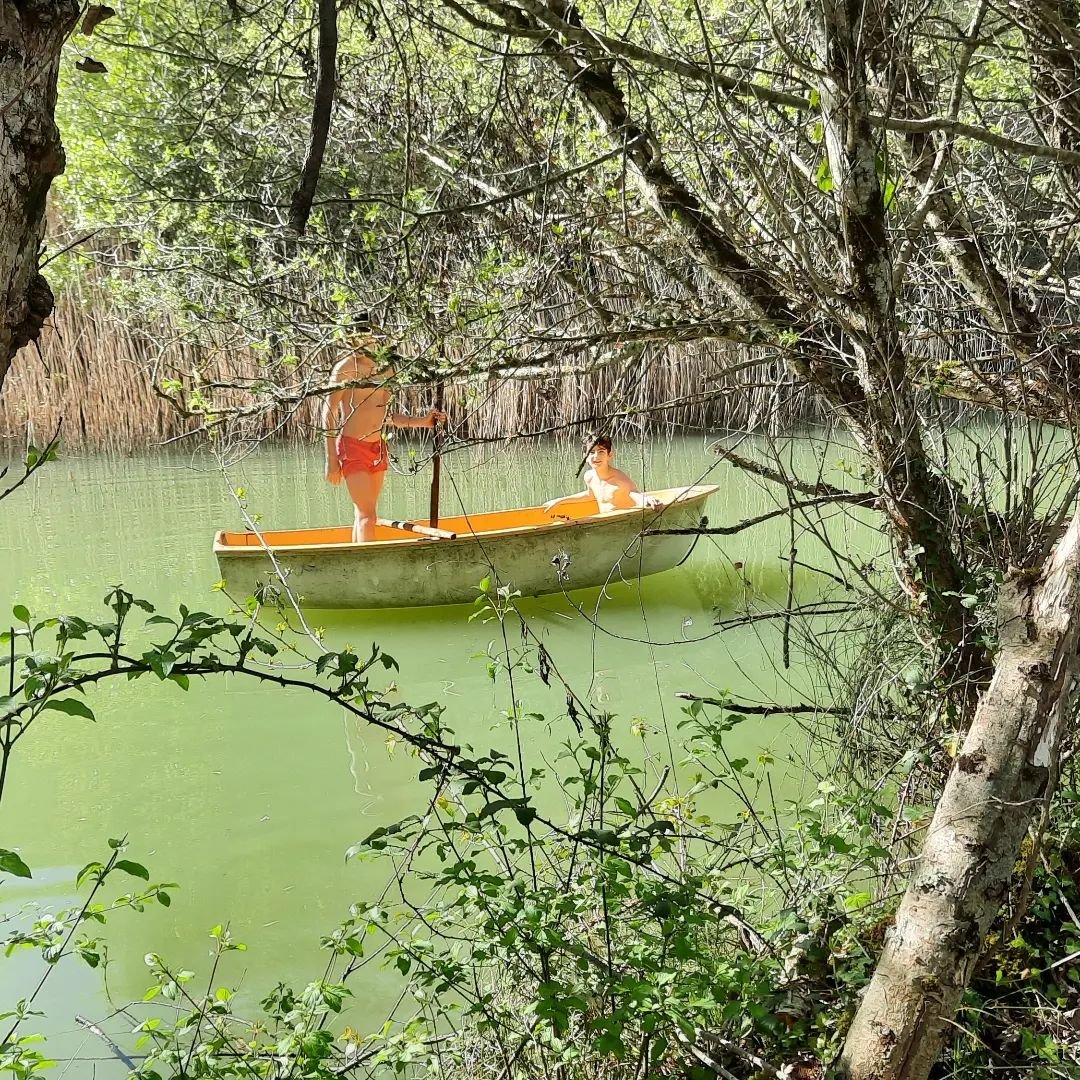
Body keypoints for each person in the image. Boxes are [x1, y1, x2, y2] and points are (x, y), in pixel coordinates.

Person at [323, 335, 444, 542]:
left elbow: (387, 415)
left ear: (374, 338)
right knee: (367, 517)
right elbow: (329, 413)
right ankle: (367, 569)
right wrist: (331, 459)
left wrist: (424, 421)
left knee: (364, 514)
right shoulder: (344, 368)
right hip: (352, 447)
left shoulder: (386, 369)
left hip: (378, 449)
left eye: (363, 337)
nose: (357, 343)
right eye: (352, 338)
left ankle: (358, 562)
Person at [543, 433, 663, 516]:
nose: (596, 457)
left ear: (609, 455)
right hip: (605, 524)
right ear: (585, 456)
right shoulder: (589, 476)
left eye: (601, 452)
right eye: (592, 452)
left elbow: (634, 494)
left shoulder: (619, 479)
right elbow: (591, 495)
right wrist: (559, 501)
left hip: (622, 524)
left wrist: (648, 499)